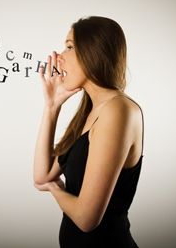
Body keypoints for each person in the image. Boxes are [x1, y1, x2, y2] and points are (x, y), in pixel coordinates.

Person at [33, 16, 144, 247]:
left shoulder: (118, 110)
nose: (60, 56)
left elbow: (86, 219)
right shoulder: (89, 112)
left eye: (70, 46)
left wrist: (55, 189)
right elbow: (42, 175)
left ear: (94, 51)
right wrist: (52, 107)